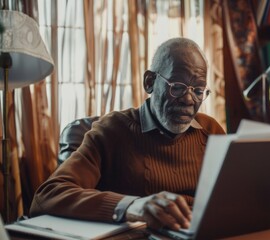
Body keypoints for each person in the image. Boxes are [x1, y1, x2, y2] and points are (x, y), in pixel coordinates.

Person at [30, 37, 225, 231]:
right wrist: (131, 206)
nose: (189, 100)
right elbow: (48, 196)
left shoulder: (210, 130)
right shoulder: (112, 131)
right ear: (149, 82)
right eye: (177, 87)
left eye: (198, 91)